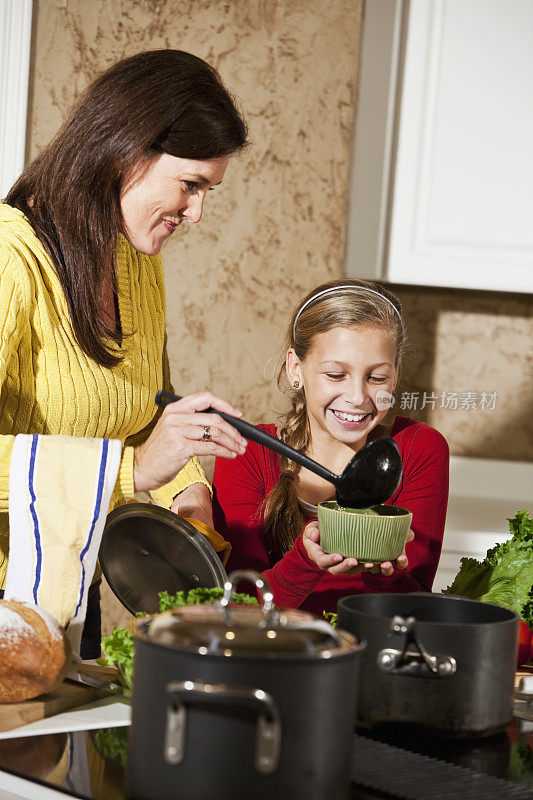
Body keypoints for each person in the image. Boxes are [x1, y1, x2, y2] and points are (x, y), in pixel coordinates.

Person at [0, 49, 249, 656]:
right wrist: (133, 473)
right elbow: (140, 456)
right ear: (126, 149)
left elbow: (151, 417)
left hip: (61, 603)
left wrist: (188, 496)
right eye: (190, 185)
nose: (196, 213)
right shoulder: (10, 262)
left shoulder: (135, 263)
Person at [213, 279, 449, 614]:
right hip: (271, 656)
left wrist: (387, 576)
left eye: (377, 377)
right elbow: (239, 605)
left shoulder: (418, 448)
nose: (357, 397)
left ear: (395, 375)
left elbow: (414, 607)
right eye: (336, 375)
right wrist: (305, 561)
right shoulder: (247, 451)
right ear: (297, 368)